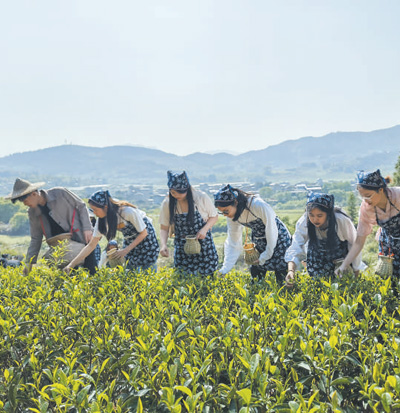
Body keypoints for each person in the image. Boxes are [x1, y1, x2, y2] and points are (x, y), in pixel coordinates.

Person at [6, 178, 96, 274]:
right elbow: (36, 238)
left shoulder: (60, 193)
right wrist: (29, 264)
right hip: (61, 250)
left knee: (91, 271)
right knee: (68, 277)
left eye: (24, 200)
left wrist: (87, 228)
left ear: (34, 194)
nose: (24, 203)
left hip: (81, 237)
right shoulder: (32, 212)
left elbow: (81, 205)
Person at [64, 190, 159, 273]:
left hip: (147, 239)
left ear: (105, 207)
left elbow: (144, 233)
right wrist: (71, 265)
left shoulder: (126, 212)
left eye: (95, 210)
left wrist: (125, 250)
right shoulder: (102, 221)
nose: (94, 213)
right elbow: (91, 245)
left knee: (147, 269)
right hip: (130, 240)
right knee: (129, 272)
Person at [214, 184, 291, 283]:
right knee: (256, 276)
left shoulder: (257, 205)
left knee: (281, 276)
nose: (225, 215)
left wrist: (266, 255)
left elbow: (271, 230)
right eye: (221, 212)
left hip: (277, 237)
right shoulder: (231, 217)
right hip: (259, 240)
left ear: (236, 202)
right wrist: (225, 269)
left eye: (226, 211)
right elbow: (233, 241)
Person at [286, 192, 365, 286]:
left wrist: (355, 271)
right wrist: (291, 271)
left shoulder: (341, 220)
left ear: (328, 214)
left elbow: (354, 245)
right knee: (318, 288)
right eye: (311, 215)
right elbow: (296, 245)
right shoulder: (304, 221)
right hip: (317, 262)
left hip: (340, 263)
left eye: (319, 216)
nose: (315, 220)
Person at [336, 169, 400, 279]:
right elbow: (359, 242)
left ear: (380, 190)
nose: (365, 200)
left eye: (368, 195)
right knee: (391, 280)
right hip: (389, 246)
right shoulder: (366, 209)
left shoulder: (398, 195)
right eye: (362, 197)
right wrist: (344, 265)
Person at [159, 171, 219, 275]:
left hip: (204, 245)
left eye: (180, 192)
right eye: (173, 193)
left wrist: (204, 230)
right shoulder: (168, 203)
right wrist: (163, 245)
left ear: (187, 188)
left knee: (208, 277)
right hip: (182, 246)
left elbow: (214, 216)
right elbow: (164, 227)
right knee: (183, 277)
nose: (177, 195)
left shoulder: (201, 197)